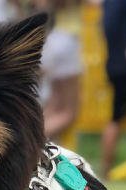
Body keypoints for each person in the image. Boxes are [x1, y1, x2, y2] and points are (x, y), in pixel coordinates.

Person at [101, 0, 126, 180]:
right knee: (115, 117)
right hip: (124, 67)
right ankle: (106, 169)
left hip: (115, 64)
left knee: (115, 116)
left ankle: (106, 168)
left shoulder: (109, 4)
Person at [38, 0, 84, 139]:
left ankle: (30, 134)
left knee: (54, 105)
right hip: (70, 41)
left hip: (54, 39)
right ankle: (31, 142)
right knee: (69, 113)